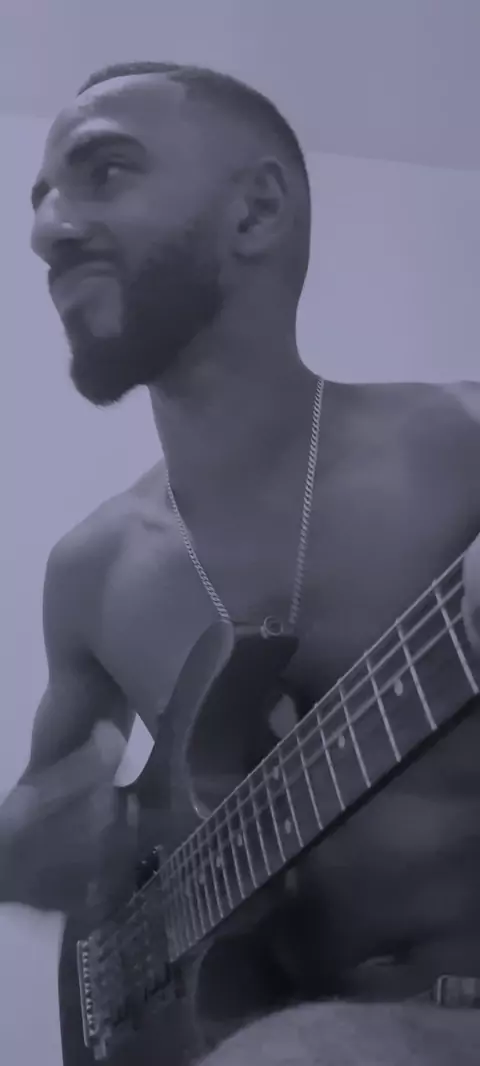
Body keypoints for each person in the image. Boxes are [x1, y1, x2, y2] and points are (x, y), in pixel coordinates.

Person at [2, 60, 480, 1064]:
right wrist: (45, 842)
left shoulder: (461, 448)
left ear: (255, 211)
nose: (45, 229)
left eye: (103, 171)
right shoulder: (91, 571)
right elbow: (50, 803)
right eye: (39, 197)